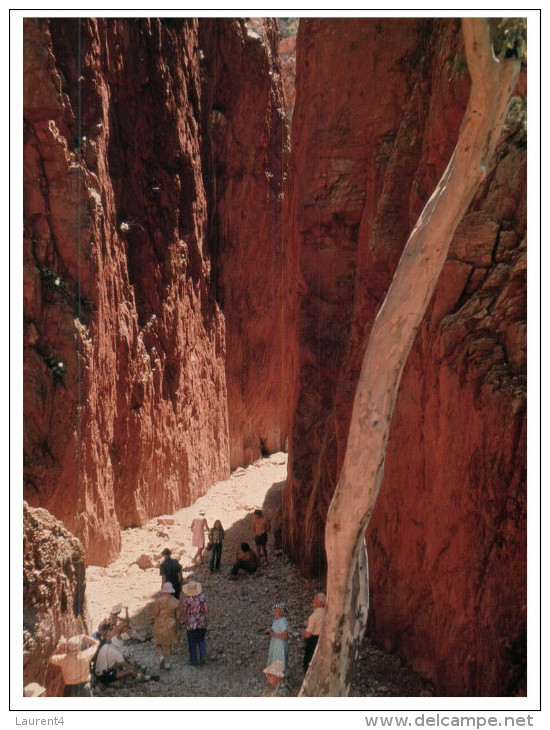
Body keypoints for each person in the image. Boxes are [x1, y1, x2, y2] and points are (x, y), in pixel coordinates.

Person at [93, 621, 158, 685]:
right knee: (129, 671)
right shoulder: (116, 653)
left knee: (122, 662)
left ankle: (136, 671)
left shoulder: (105, 645)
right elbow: (129, 667)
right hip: (104, 676)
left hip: (99, 670)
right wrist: (138, 672)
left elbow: (115, 632)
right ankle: (146, 678)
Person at [152, 581, 182, 671]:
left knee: (158, 642)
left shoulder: (159, 600)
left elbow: (155, 613)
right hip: (171, 624)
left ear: (164, 591)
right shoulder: (176, 601)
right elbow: (178, 615)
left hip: (160, 623)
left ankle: (161, 657)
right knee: (168, 645)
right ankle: (168, 664)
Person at [180, 580, 209, 666]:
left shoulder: (187, 600)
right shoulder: (202, 597)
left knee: (192, 643)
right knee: (201, 640)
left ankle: (193, 661)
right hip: (201, 622)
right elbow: (207, 610)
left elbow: (184, 611)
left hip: (191, 624)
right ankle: (203, 655)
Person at [302, 592, 326, 672]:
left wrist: (303, 633)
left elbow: (308, 635)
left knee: (309, 662)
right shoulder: (328, 614)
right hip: (325, 640)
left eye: (314, 600)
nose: (312, 601)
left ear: (319, 602)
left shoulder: (313, 616)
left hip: (314, 641)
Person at [265, 602, 288, 680]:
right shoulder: (276, 620)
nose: (275, 611)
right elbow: (275, 631)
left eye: (277, 610)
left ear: (281, 612)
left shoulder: (282, 621)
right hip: (275, 643)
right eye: (275, 610)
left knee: (279, 661)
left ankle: (279, 680)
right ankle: (274, 679)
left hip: (280, 644)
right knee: (274, 659)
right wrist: (270, 632)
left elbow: (285, 635)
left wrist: (273, 634)